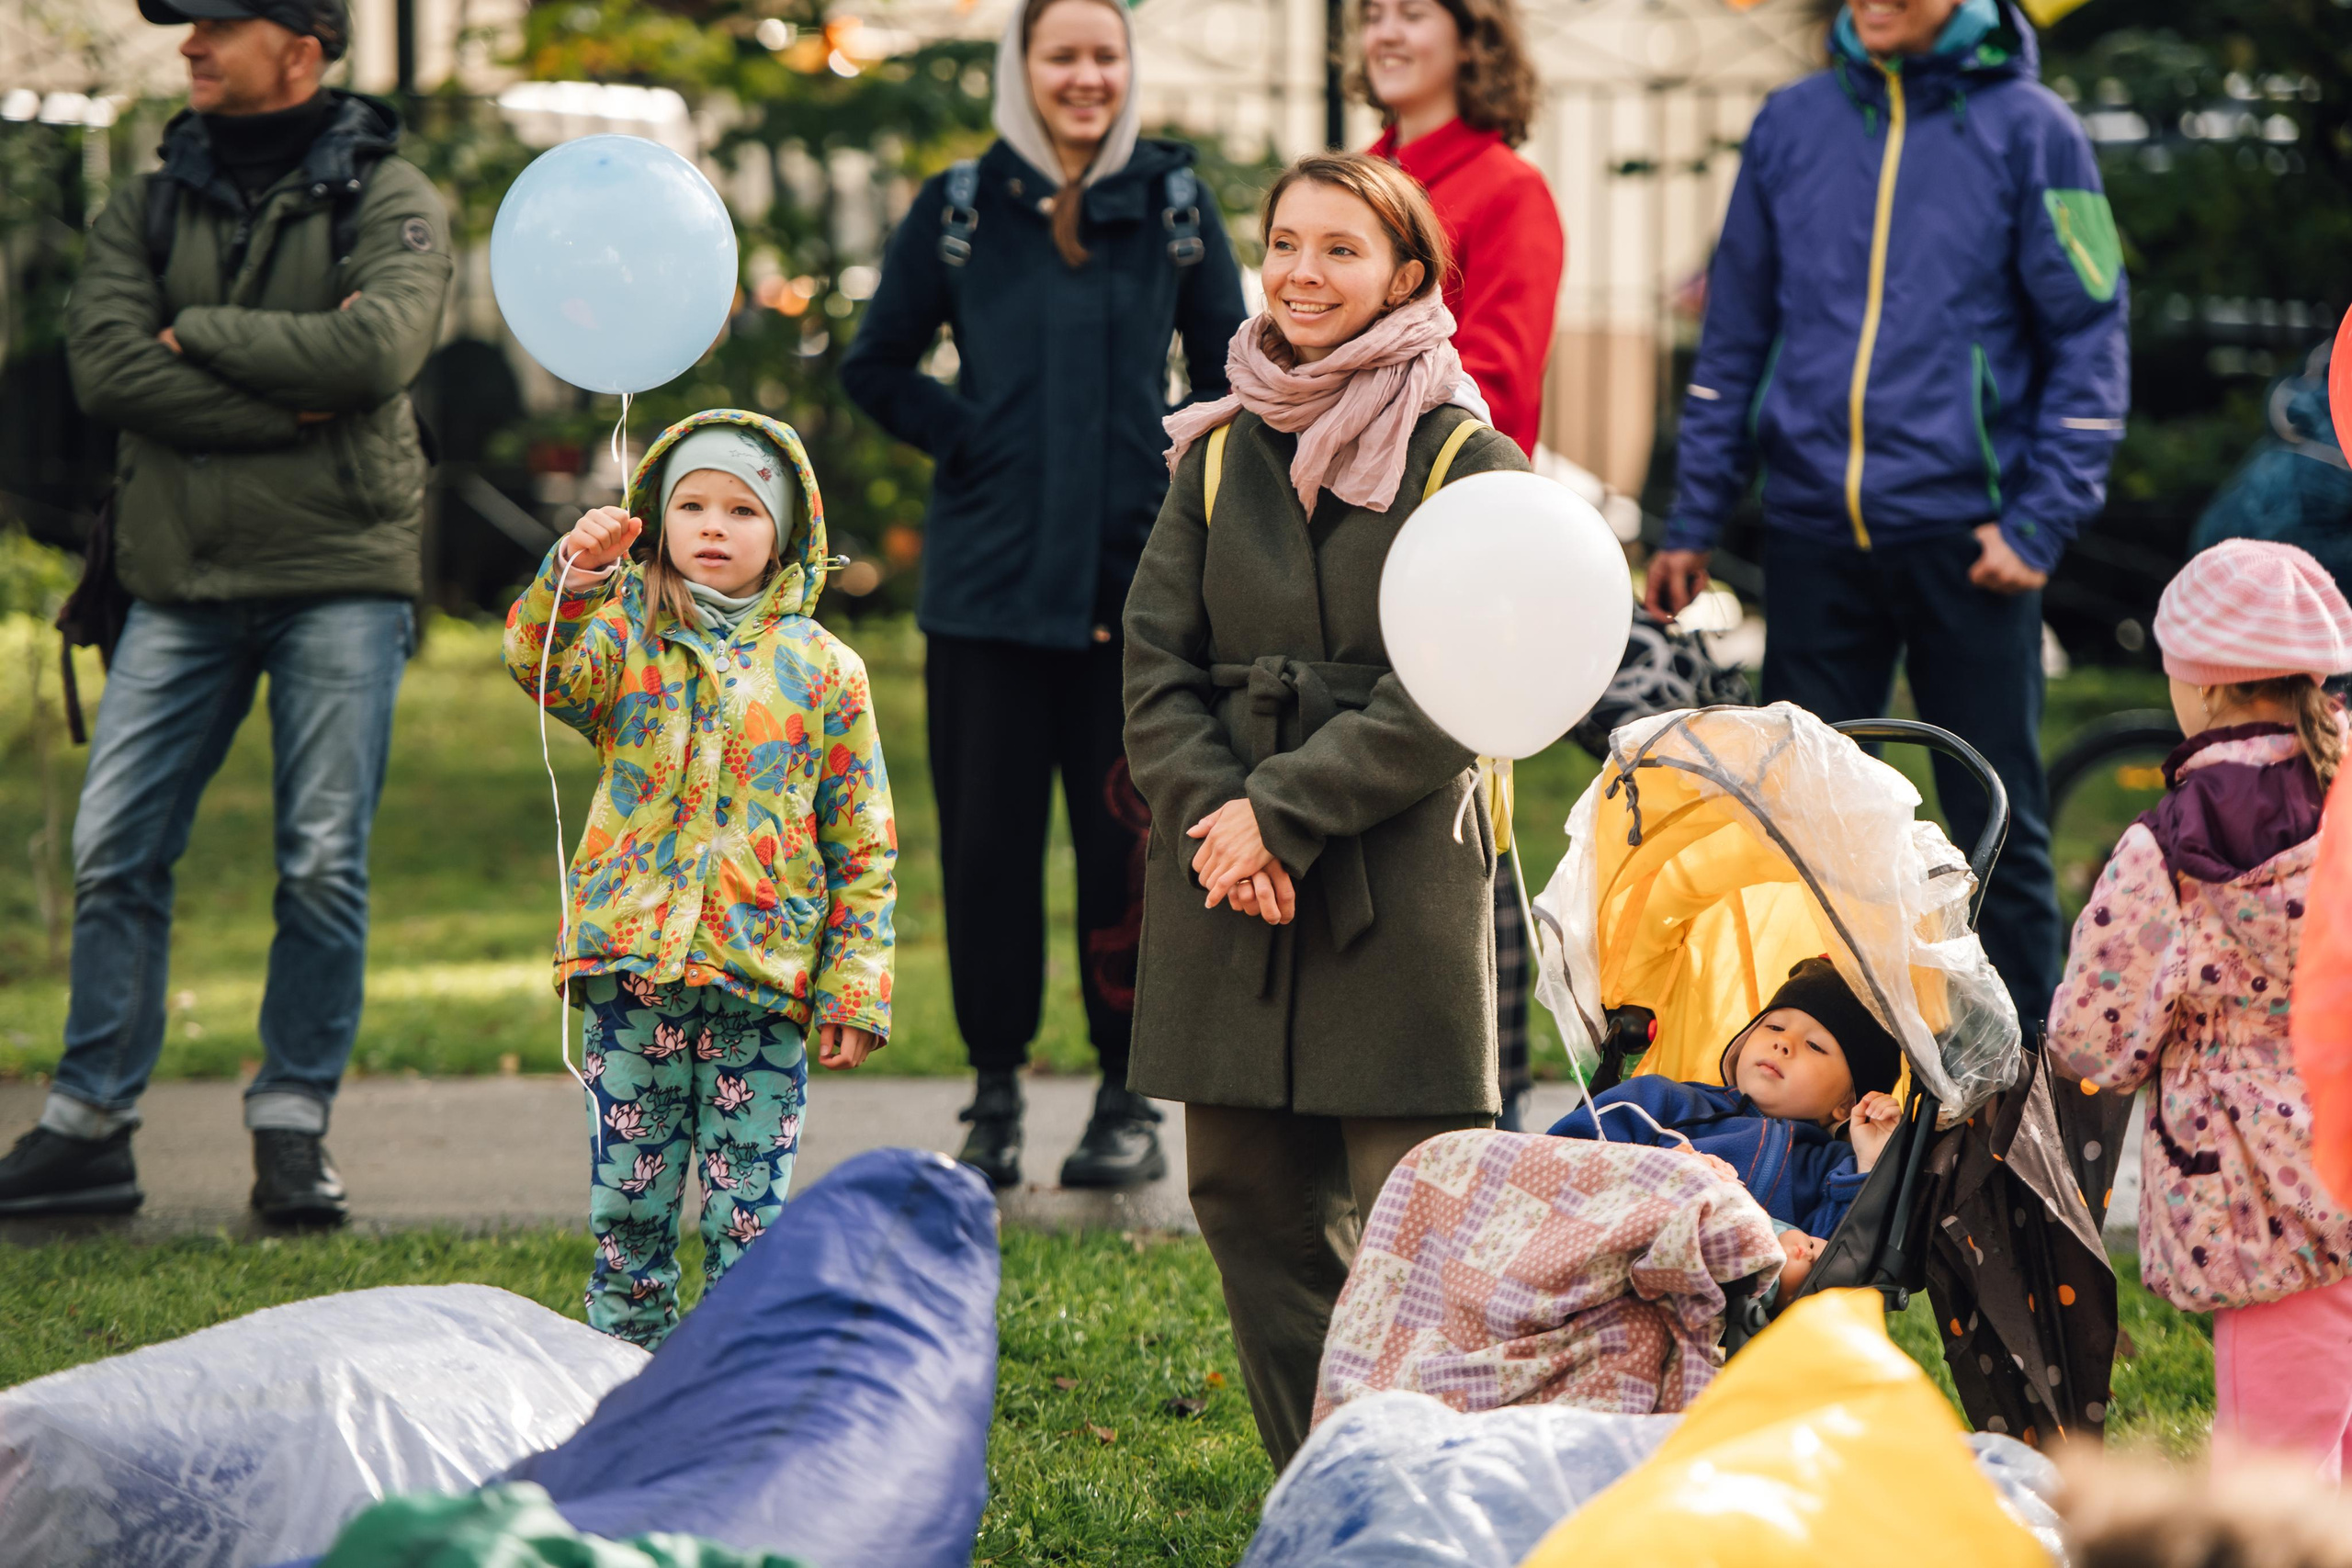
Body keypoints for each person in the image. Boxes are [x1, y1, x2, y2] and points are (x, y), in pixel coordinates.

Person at [0, 0, 451, 1224]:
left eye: (218, 23)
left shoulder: (391, 196)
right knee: (114, 847)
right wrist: (287, 400)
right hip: (179, 578)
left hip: (338, 575)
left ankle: (292, 1128)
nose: (190, 45)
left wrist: (194, 332)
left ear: (300, 49)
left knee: (320, 861)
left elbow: (374, 360)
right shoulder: (147, 202)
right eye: (186, 25)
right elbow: (107, 370)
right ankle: (88, 1128)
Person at [1123, 152, 1528, 1468]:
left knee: (1423, 1211)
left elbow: (1466, 682)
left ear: (1406, 277)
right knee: (1242, 1191)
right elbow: (1155, 664)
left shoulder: (1465, 455)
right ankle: (1329, 1477)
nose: (1302, 272)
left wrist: (1283, 811)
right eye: (1286, 243)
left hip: (1390, 864)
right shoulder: (1216, 448)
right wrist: (1222, 820)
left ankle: (1444, 1483)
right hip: (1225, 861)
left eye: (1340, 249)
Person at [1645, 0, 2129, 1041]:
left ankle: (2018, 1094)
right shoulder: (1792, 122)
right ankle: (1808, 1077)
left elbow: (2090, 332)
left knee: (1995, 829)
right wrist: (1692, 519)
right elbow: (1735, 329)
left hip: (1972, 540)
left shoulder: (2035, 129)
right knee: (1799, 833)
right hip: (1814, 533)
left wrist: (2039, 522)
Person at [842, 0, 1247, 1192]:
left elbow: (1235, 373)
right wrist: (974, 439)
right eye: (1061, 56)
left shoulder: (1174, 206)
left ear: (1128, 68)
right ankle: (995, 1094)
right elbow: (876, 362)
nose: (1085, 77)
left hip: (1136, 593)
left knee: (1129, 856)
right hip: (987, 598)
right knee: (988, 854)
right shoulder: (961, 207)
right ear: (1021, 69)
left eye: (1104, 56)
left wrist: (1169, 469)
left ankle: (1126, 1097)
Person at [501, 411, 897, 1348]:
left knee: (749, 1217)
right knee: (630, 1204)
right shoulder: (624, 637)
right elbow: (540, 665)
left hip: (760, 981)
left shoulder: (825, 671)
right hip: (632, 970)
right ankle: (622, 1362)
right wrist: (575, 574)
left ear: (787, 532)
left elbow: (863, 842)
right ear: (658, 517)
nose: (714, 526)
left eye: (743, 509)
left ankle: (733, 1378)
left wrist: (854, 985)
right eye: (692, 505)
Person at [2050, 539, 2352, 1481]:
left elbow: (2093, 1035)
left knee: (2275, 1464)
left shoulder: (2173, 844)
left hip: (2258, 1188)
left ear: (2205, 685)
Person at [1359, 0, 1564, 1134]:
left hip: (1452, 532)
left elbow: (1499, 381)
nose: (1385, 32)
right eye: (1372, 13)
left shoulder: (1504, 189)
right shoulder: (1361, 176)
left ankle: (1490, 1092)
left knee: (1459, 814)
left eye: (1412, 12)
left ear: (1471, 40)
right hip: (1341, 536)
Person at [1548, 956, 1905, 1296]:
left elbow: (1837, 1260)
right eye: (1774, 1027)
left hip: (1723, 1306)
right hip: (1608, 1258)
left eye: (1815, 1046)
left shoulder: (1831, 1169)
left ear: (1846, 1103)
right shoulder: (1662, 1100)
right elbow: (1562, 1155)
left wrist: (1869, 1162)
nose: (1783, 1043)